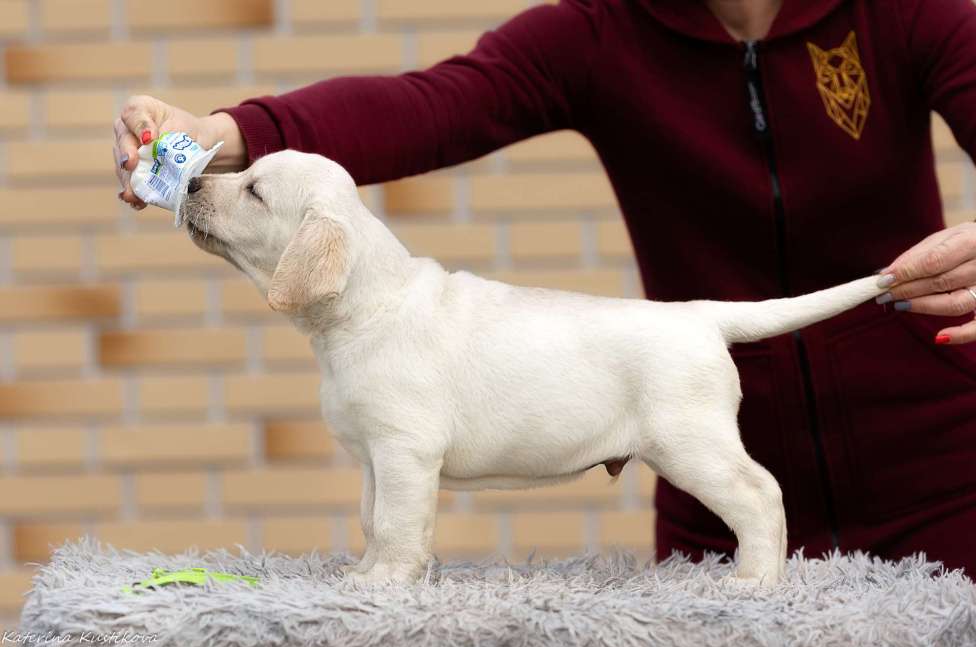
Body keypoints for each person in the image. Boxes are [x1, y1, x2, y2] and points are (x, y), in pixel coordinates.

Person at [113, 0, 976, 575]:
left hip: (945, 486)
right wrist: (224, 134)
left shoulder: (906, 12)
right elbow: (433, 104)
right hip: (706, 522)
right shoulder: (601, 33)